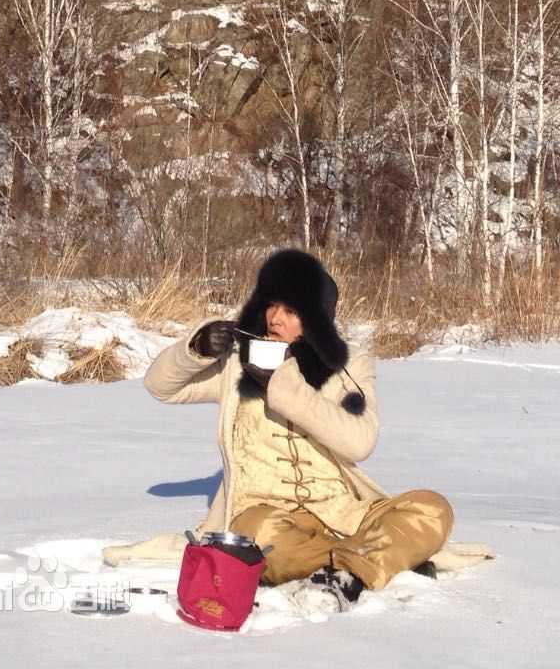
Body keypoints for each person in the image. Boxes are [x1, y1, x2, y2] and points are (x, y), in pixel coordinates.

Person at [103, 249, 494, 598]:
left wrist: (283, 387)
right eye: (272, 305)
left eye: (291, 311)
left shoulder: (347, 367)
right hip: (265, 514)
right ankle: (379, 560)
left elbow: (360, 443)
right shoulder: (238, 362)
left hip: (341, 513)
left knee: (432, 508)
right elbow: (160, 387)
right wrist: (196, 349)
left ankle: (349, 564)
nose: (275, 318)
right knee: (256, 538)